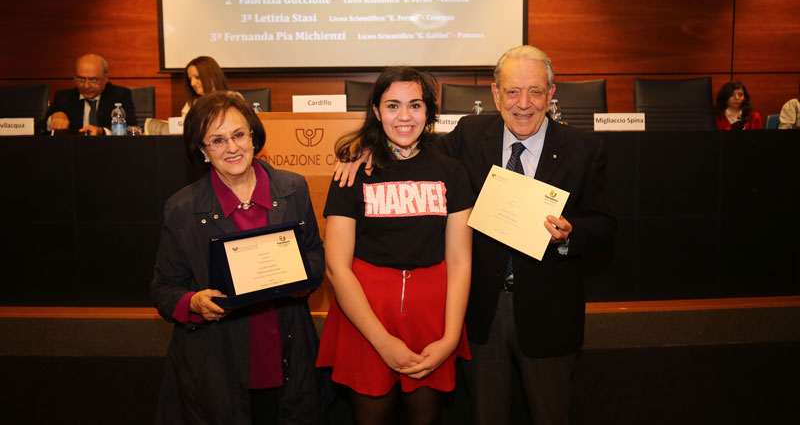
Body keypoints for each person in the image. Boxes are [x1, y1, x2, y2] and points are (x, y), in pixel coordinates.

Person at [335, 46, 616, 425]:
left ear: (551, 94)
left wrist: (570, 234)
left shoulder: (584, 148)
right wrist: (368, 146)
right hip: (481, 311)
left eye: (535, 91)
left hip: (548, 314)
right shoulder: (470, 133)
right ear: (496, 94)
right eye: (512, 91)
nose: (523, 104)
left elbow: (605, 224)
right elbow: (411, 144)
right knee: (486, 415)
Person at [151, 91, 328, 425]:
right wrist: (194, 302)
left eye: (238, 135)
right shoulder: (183, 209)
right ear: (202, 151)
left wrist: (303, 280)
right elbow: (163, 290)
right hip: (216, 364)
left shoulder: (292, 188)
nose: (232, 148)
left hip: (288, 352)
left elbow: (315, 254)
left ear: (252, 135)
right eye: (217, 140)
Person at [317, 67, 474, 424]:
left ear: (429, 112)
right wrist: (382, 342)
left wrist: (450, 338)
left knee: (425, 416)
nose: (404, 116)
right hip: (366, 316)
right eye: (392, 106)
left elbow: (460, 260)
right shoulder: (353, 172)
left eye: (415, 105)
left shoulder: (452, 172)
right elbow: (336, 267)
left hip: (433, 316)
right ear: (376, 111)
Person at [46, 53, 137, 135]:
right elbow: (39, 129)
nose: (86, 86)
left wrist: (102, 132)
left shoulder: (119, 95)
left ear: (105, 79)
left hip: (109, 149)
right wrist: (53, 118)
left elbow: (131, 128)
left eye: (93, 80)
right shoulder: (63, 98)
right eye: (81, 79)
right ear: (74, 78)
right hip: (73, 150)